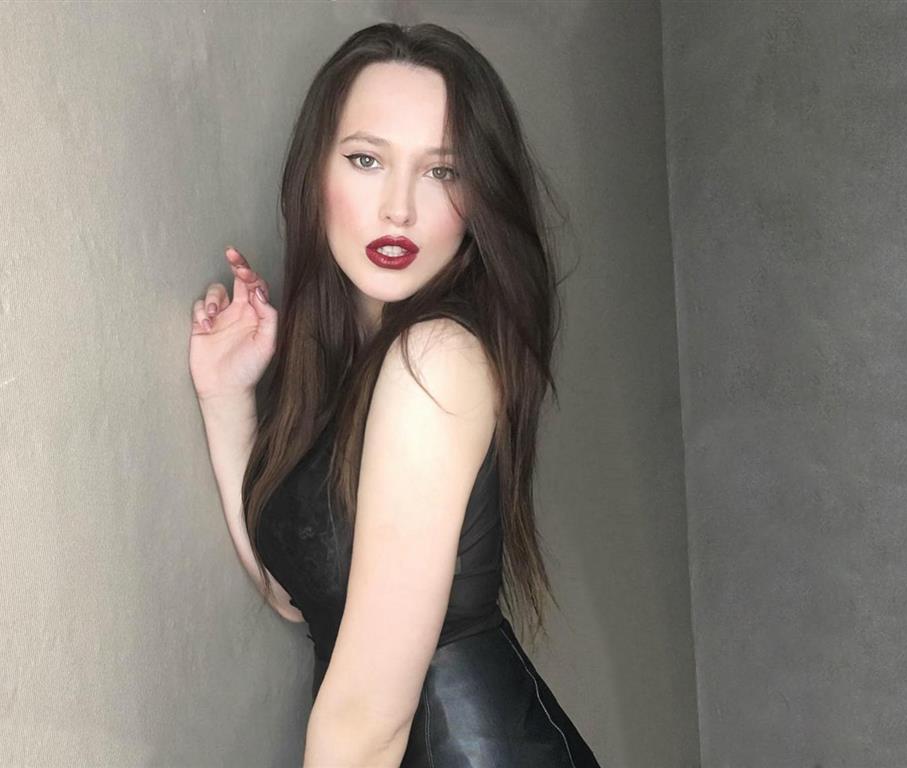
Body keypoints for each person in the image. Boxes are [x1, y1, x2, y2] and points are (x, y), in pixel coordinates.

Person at [188, 22, 601, 768]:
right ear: (315, 174)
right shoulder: (356, 368)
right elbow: (298, 597)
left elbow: (368, 721)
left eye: (442, 171)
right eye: (366, 159)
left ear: (478, 201)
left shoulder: (435, 358)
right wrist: (225, 397)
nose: (399, 208)